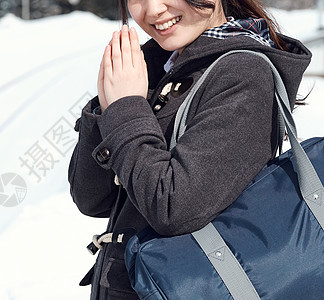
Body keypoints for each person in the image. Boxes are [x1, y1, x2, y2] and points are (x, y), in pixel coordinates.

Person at [67, 0, 311, 299]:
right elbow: (92, 199)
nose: (153, 9)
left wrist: (125, 108)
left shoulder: (244, 73)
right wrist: (109, 104)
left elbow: (174, 208)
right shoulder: (157, 67)